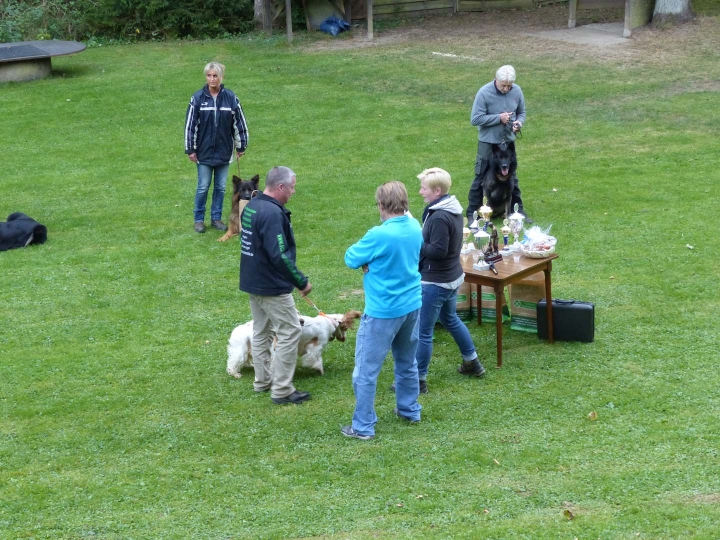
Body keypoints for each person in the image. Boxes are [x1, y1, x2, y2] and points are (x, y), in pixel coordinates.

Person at [341, 181, 423, 440]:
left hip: (383, 311)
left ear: (381, 204)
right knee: (407, 363)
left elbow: (351, 257)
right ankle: (410, 410)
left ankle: (363, 426)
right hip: (411, 305)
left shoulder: (378, 234)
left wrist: (368, 262)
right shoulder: (415, 226)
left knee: (365, 371)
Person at [239, 166, 312, 405]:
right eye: (291, 187)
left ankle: (263, 381)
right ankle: (281, 389)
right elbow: (279, 254)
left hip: (253, 279)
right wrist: (300, 281)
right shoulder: (272, 214)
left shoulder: (252, 205)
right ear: (280, 187)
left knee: (261, 331)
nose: (293, 191)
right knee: (291, 331)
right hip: (271, 285)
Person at [416, 168, 487, 392]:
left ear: (437, 191)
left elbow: (437, 250)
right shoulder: (451, 210)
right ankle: (472, 362)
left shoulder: (438, 217)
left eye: (424, 188)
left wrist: (416, 243)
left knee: (423, 331)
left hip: (435, 282)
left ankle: (417, 380)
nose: (420, 192)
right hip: (452, 277)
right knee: (451, 319)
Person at [184, 61, 249, 234]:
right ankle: (199, 220)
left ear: (221, 77)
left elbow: (240, 123)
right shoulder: (197, 98)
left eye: (215, 76)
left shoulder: (231, 98)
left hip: (224, 152)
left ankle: (216, 218)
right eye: (209, 75)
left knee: (220, 187)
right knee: (203, 186)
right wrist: (191, 149)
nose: (212, 79)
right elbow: (190, 126)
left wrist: (241, 145)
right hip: (203, 153)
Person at [467, 65, 531, 224]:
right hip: (488, 143)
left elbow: (521, 112)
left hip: (508, 142)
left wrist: (519, 123)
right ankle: (472, 213)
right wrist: (498, 118)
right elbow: (475, 119)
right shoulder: (484, 93)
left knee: (512, 178)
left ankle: (517, 211)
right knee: (480, 176)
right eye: (503, 85)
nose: (506, 88)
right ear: (496, 80)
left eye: (509, 86)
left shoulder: (517, 91)